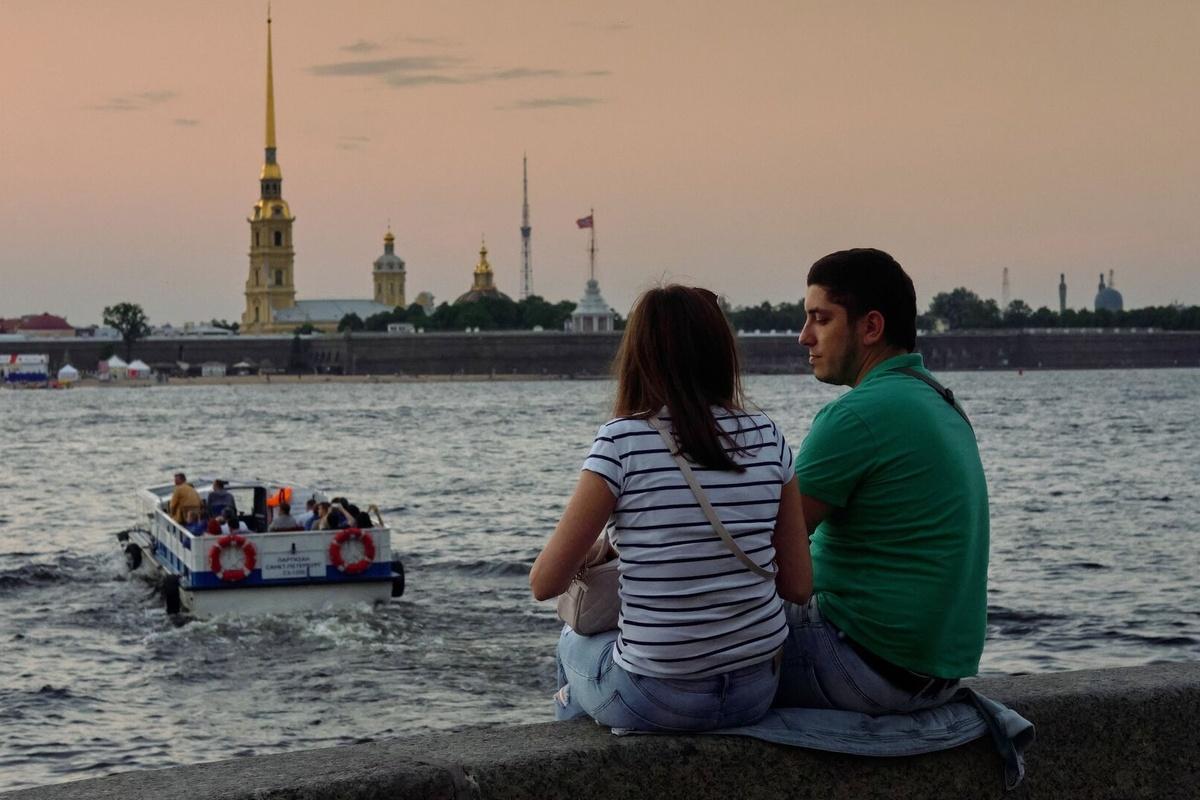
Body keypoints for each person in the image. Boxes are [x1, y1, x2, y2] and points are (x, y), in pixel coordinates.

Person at [530, 285, 812, 732]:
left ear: (640, 355)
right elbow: (798, 586)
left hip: (657, 696)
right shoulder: (768, 435)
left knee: (571, 640)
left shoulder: (622, 440)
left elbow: (544, 583)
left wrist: (599, 553)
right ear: (721, 351)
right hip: (756, 690)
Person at [776, 248, 989, 714]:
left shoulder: (856, 416)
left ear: (871, 327)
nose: (803, 336)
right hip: (938, 675)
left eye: (820, 318)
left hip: (862, 666)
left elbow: (767, 545)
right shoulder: (943, 403)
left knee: (627, 645)